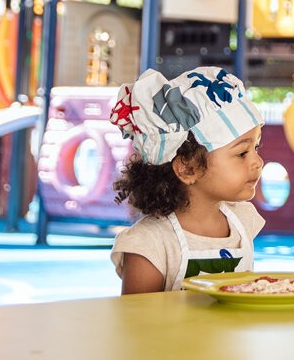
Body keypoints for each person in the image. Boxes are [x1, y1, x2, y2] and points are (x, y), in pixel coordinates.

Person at [108, 67, 266, 294]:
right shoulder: (149, 244)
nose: (258, 162)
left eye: (256, 147)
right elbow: (137, 322)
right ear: (187, 168)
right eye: (242, 153)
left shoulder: (243, 222)